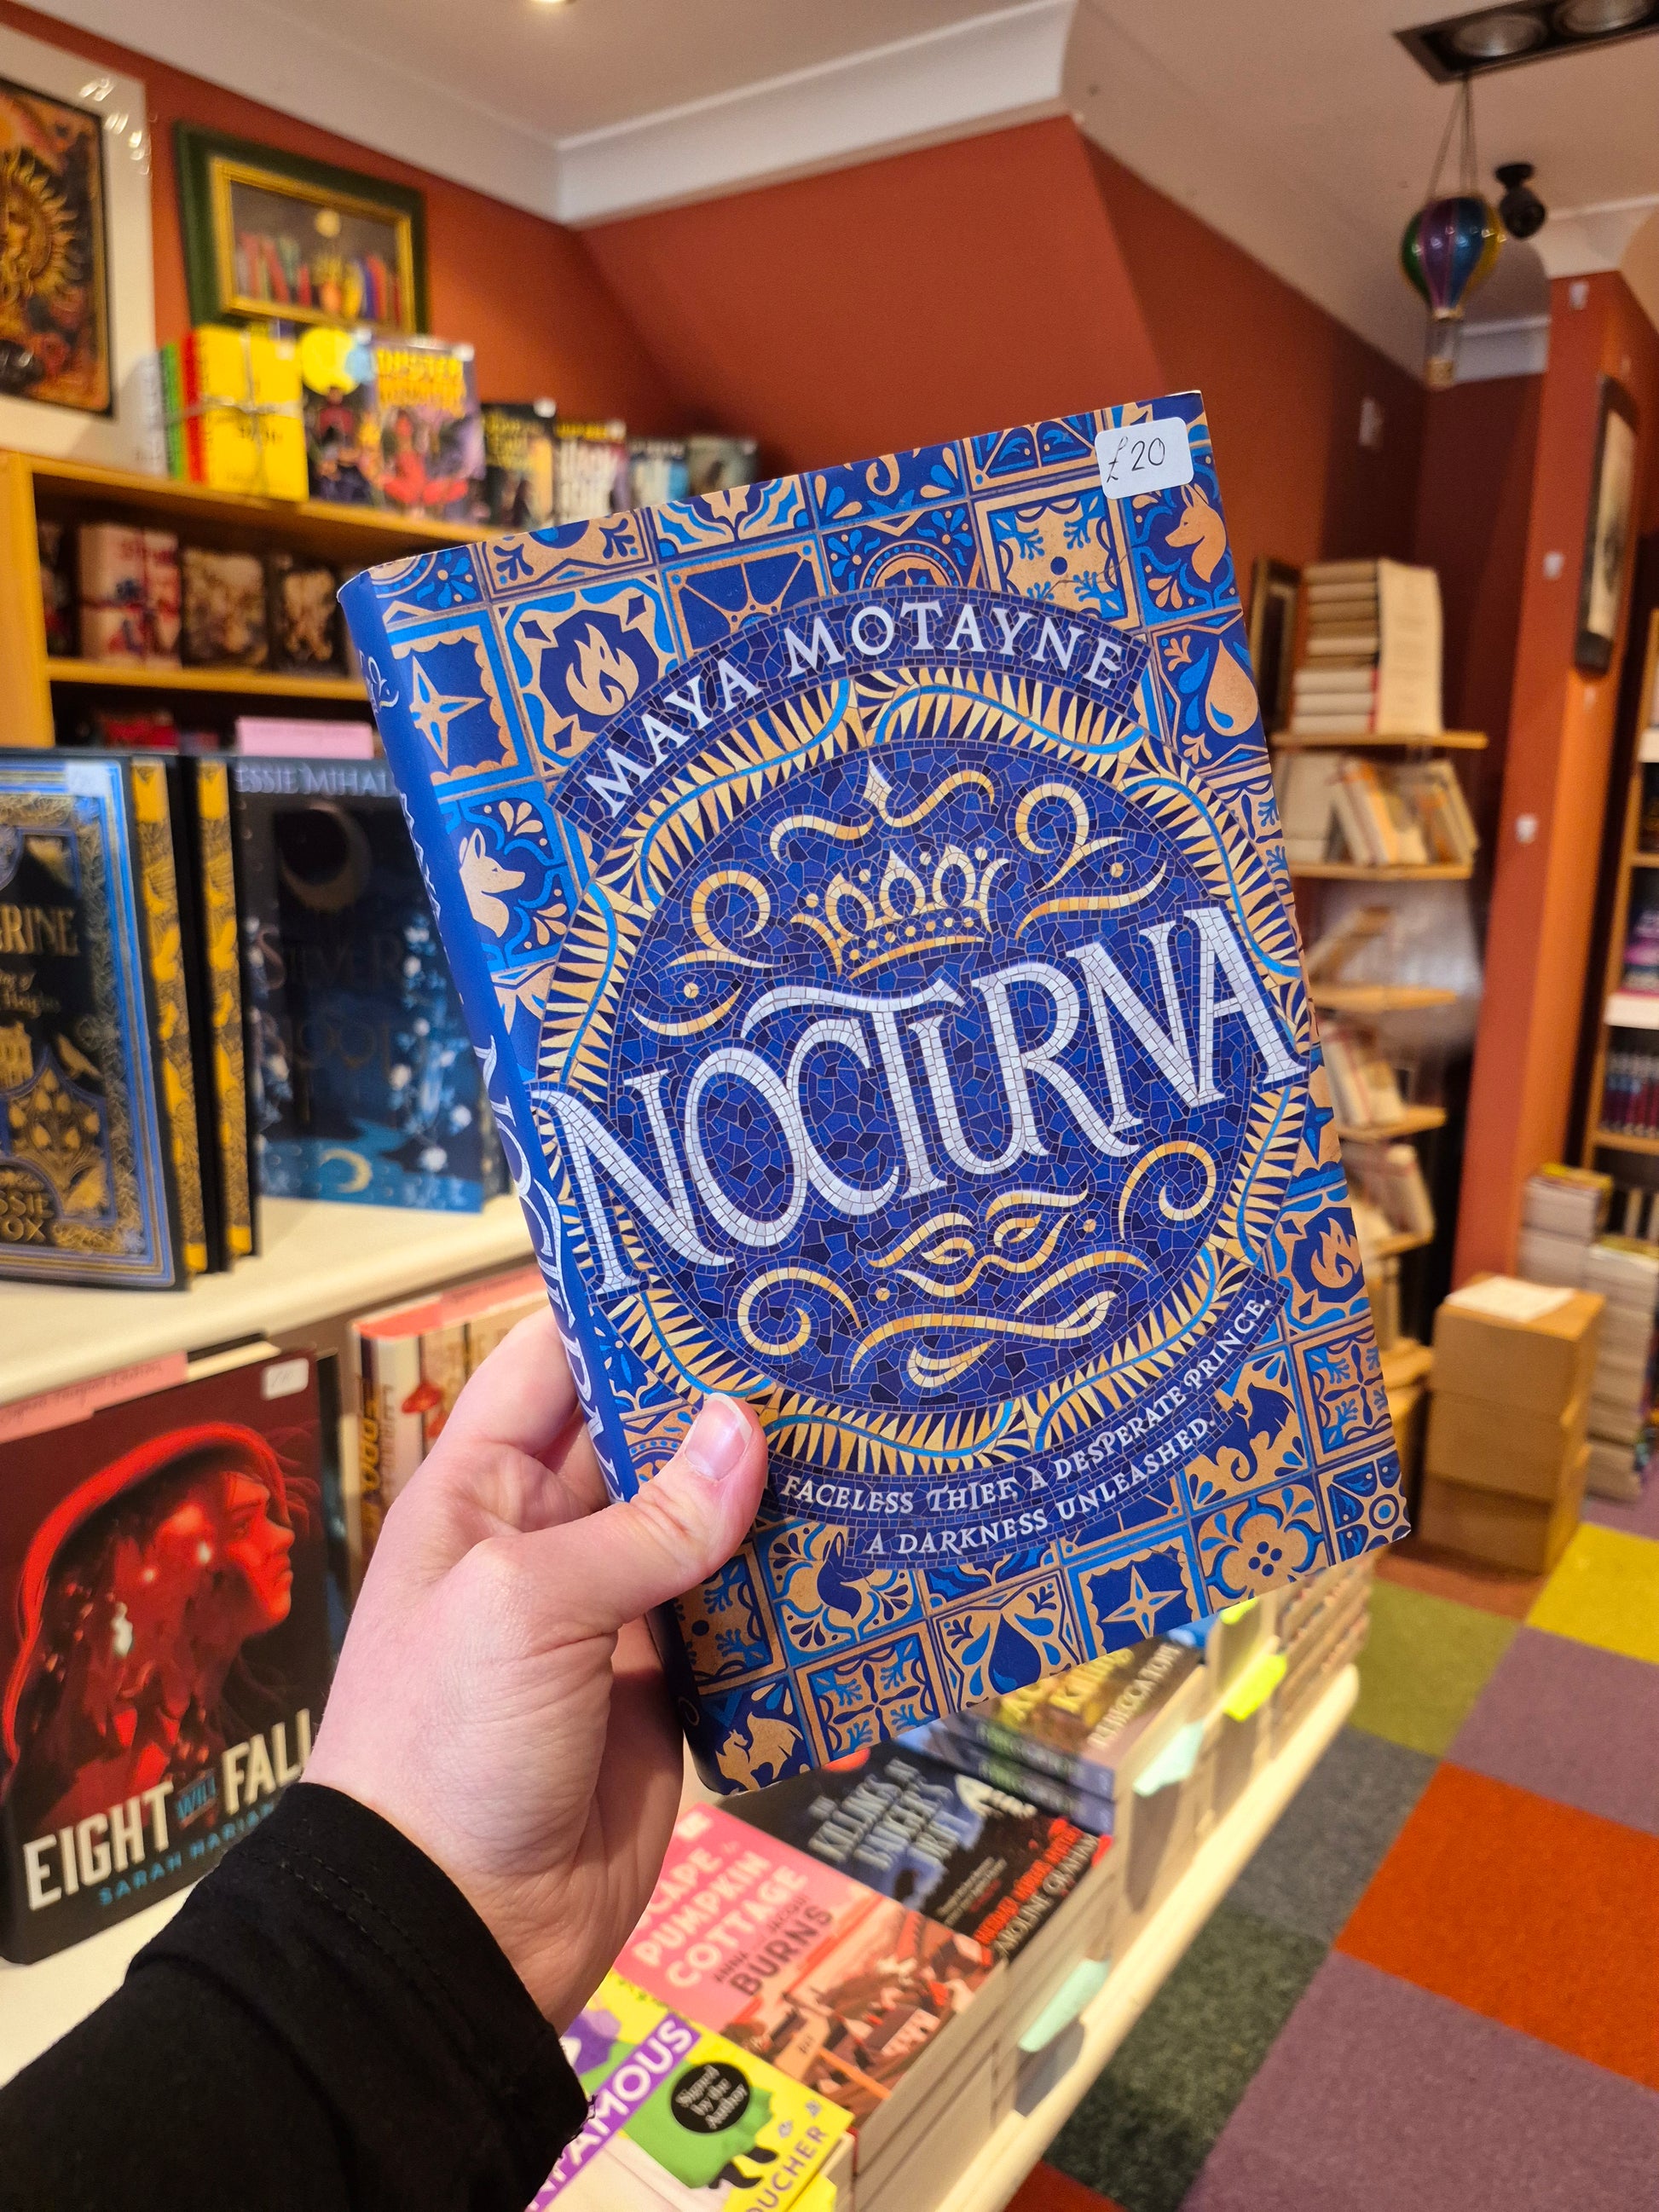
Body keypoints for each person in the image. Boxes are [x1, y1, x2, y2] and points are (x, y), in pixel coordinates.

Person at [0, 1309, 770, 2211]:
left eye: (275, 1512)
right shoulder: (74, 1790)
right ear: (149, 1575)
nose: (286, 1534)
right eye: (247, 1520)